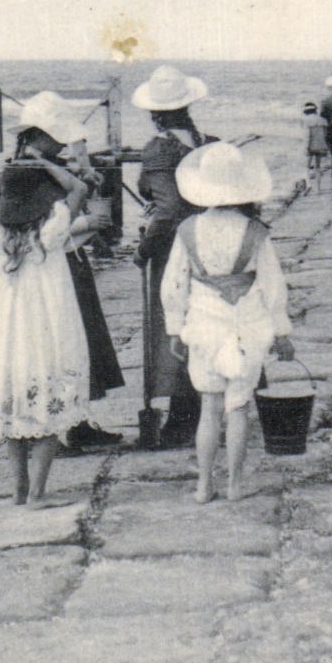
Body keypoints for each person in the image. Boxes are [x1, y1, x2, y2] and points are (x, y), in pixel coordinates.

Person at [161, 143, 295, 503]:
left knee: (209, 406)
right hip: (245, 324)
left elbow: (174, 282)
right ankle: (235, 485)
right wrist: (281, 331)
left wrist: (175, 326)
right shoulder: (254, 231)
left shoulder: (188, 230)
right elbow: (271, 284)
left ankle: (204, 484)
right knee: (239, 407)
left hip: (204, 324)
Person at [0, 159, 92, 507]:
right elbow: (78, 189)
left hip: (9, 326)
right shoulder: (52, 224)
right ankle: (37, 492)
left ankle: (18, 489)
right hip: (48, 318)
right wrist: (47, 166)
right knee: (49, 396)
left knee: (14, 400)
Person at [11, 91, 125, 451]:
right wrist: (87, 221)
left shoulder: (41, 164)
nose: (60, 143)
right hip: (52, 266)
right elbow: (35, 232)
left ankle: (75, 420)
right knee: (62, 342)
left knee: (81, 340)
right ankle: (56, 427)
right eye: (54, 137)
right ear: (37, 134)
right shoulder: (28, 172)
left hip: (68, 260)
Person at [132, 65, 215, 449]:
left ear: (155, 113)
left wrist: (144, 248)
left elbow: (166, 210)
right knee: (207, 320)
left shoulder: (160, 149)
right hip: (210, 241)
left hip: (175, 248)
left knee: (174, 324)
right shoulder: (205, 142)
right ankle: (206, 406)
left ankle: (182, 419)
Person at [301, 102, 329, 190]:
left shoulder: (306, 121)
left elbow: (307, 136)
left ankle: (308, 185)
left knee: (306, 166)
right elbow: (325, 134)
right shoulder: (323, 120)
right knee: (318, 166)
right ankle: (318, 188)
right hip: (321, 145)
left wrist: (305, 147)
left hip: (311, 146)